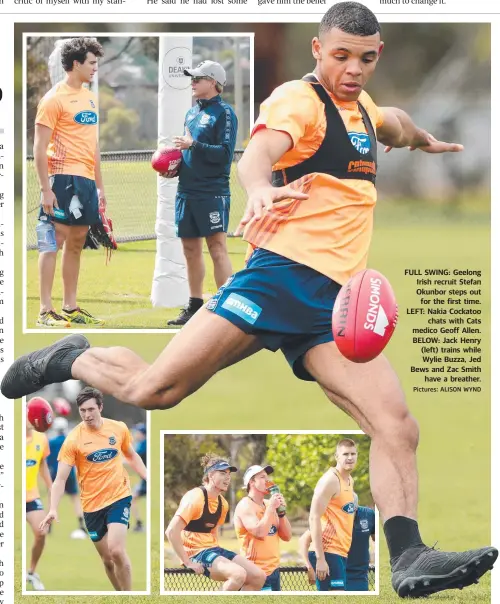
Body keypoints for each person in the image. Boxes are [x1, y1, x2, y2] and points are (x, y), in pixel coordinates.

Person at [3, 2, 497, 597]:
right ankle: (70, 357)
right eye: (339, 55)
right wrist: (261, 188)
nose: (351, 68)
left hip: (332, 307)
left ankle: (410, 557)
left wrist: (421, 140)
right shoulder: (298, 101)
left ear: (376, 57)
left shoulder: (362, 108)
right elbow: (259, 155)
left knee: (396, 424)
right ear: (318, 51)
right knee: (155, 391)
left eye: (364, 58)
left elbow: (391, 121)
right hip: (276, 281)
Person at [39, 387, 147, 591]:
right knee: (107, 560)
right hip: (91, 506)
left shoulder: (118, 428)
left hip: (119, 496)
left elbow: (131, 455)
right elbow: (60, 479)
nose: (87, 415)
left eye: (91, 409)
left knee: (116, 550)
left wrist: (147, 476)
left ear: (100, 407)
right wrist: (53, 508)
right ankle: (121, 593)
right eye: (82, 410)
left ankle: (130, 596)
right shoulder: (73, 439)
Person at [33, 36, 106, 327]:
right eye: (91, 62)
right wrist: (45, 189)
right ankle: (44, 310)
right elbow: (39, 148)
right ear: (75, 64)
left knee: (76, 242)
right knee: (54, 241)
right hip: (61, 178)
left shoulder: (90, 97)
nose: (95, 68)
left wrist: (100, 187)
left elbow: (94, 145)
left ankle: (70, 306)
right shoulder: (53, 99)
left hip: (86, 180)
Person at [166, 60, 238, 326]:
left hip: (212, 192)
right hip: (187, 191)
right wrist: (174, 167)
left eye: (197, 78)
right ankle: (195, 306)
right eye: (192, 78)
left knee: (217, 247)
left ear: (213, 82)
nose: (192, 82)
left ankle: (225, 307)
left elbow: (225, 155)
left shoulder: (225, 113)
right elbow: (188, 152)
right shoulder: (191, 113)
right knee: (189, 249)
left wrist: (193, 144)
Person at [165, 454, 266, 591]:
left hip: (213, 549)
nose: (227, 478)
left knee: (258, 576)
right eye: (223, 473)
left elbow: (213, 532)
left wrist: (218, 557)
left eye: (229, 474)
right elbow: (171, 531)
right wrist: (187, 561)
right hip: (196, 552)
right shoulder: (195, 497)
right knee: (238, 574)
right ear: (211, 475)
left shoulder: (223, 504)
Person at [299, 492, 376, 592]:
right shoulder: (329, 517)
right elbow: (304, 540)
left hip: (359, 575)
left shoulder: (368, 514)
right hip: (333, 571)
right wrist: (309, 567)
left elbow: (376, 540)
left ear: (355, 508)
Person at [308, 439, 357, 591]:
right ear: (337, 456)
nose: (350, 458)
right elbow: (313, 517)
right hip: (328, 551)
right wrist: (320, 558)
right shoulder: (330, 480)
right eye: (345, 454)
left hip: (341, 551)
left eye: (353, 454)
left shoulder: (349, 480)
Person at [233, 465, 292, 591]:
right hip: (255, 571)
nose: (268, 480)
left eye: (267, 477)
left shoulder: (269, 504)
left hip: (274, 570)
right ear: (252, 482)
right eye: (262, 477)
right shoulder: (245, 505)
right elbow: (260, 532)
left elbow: (287, 536)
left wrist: (281, 512)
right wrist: (271, 509)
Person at [47, 416, 87, 538]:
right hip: (70, 473)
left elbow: (47, 460)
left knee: (52, 499)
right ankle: (81, 524)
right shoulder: (71, 441)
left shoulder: (51, 442)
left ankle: (49, 526)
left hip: (56, 474)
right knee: (75, 498)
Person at [25, 419, 53, 591]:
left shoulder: (41, 438)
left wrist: (51, 486)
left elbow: (42, 463)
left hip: (31, 496)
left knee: (41, 532)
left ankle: (31, 572)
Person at [130, 422, 147, 532]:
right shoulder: (144, 443)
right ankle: (139, 523)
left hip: (146, 480)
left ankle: (140, 524)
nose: (135, 434)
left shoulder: (143, 444)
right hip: (144, 479)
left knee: (132, 499)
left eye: (137, 432)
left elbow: (133, 457)